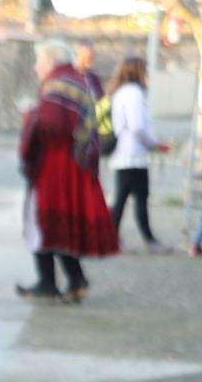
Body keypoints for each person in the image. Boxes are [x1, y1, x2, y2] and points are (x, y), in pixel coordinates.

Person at [17, 39, 116, 304]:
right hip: (74, 163)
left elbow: (50, 124)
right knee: (61, 223)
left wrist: (30, 115)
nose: (36, 67)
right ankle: (75, 280)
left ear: (49, 61)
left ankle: (48, 284)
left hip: (58, 163)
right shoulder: (75, 80)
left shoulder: (57, 84)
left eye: (39, 61)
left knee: (41, 221)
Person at [106, 57, 173, 253]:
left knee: (121, 198)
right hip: (133, 154)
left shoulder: (120, 92)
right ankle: (149, 240)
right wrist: (154, 144)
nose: (148, 74)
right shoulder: (134, 94)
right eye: (145, 70)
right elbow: (137, 126)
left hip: (123, 153)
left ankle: (112, 238)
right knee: (140, 198)